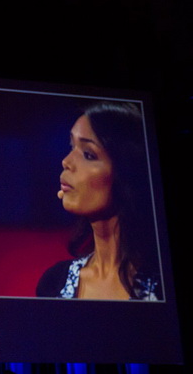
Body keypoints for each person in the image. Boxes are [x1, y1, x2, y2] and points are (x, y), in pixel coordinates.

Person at [36, 102, 161, 300]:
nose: (66, 161)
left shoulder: (164, 285)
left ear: (126, 173)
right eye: (71, 146)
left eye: (88, 154)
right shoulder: (53, 284)